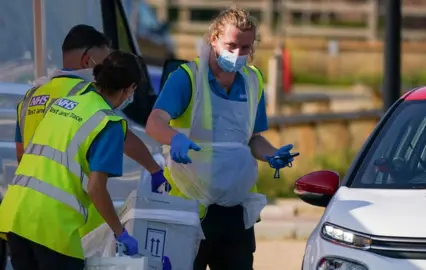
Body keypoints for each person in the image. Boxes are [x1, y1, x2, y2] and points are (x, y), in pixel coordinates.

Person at [145, 6, 298, 270]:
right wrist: (175, 139)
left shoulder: (253, 81)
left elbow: (252, 139)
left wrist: (271, 154)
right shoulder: (187, 78)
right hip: (190, 204)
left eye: (246, 48)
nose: (238, 54)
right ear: (213, 39)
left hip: (234, 209)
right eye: (232, 45)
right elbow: (154, 122)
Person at [13, 24, 167, 237]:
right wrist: (155, 170)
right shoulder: (87, 94)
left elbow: (21, 156)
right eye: (105, 65)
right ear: (88, 61)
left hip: (23, 214)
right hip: (71, 222)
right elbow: (121, 136)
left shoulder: (31, 96)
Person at [0, 51, 142, 270]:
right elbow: (96, 188)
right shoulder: (108, 122)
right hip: (52, 228)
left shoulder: (68, 102)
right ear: (129, 88)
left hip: (16, 217)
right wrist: (120, 232)